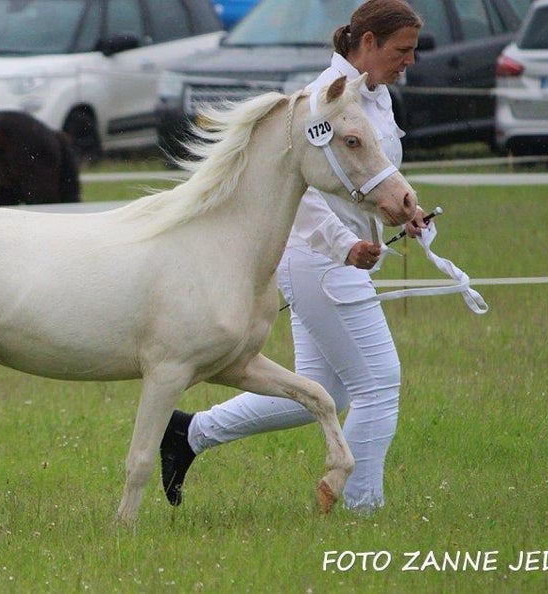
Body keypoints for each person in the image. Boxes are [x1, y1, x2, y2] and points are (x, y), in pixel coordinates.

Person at [160, 0, 427, 515]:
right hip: (320, 261)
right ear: (366, 43)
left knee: (322, 391)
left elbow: (371, 178)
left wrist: (405, 212)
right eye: (402, 50)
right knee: (378, 383)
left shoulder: (376, 97)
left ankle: (188, 432)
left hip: (343, 260)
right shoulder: (320, 104)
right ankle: (359, 508)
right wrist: (344, 244)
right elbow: (298, 194)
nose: (409, 61)